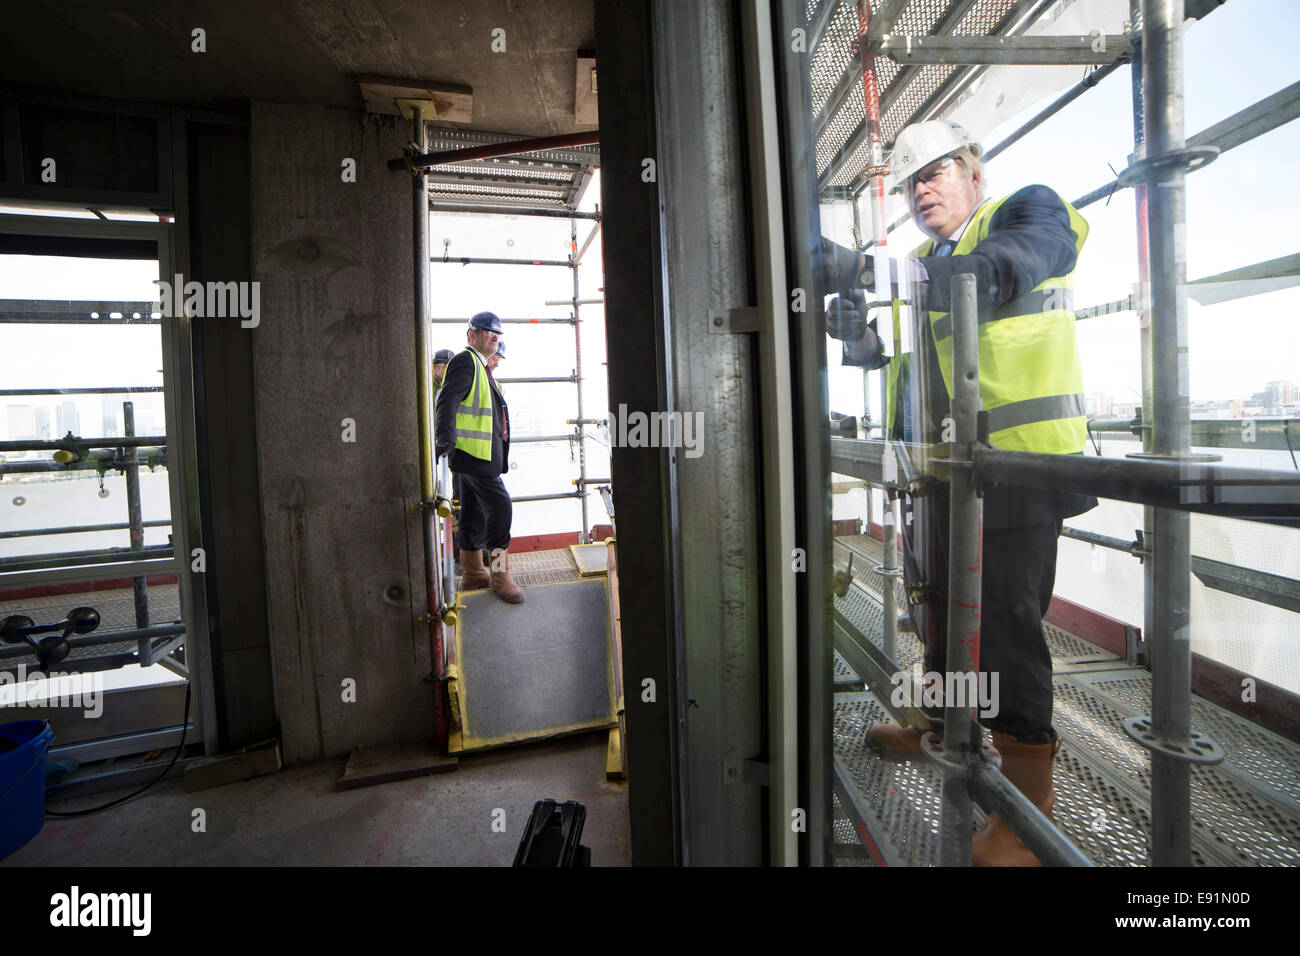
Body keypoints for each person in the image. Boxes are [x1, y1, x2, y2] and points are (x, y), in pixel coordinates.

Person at [821, 119, 1095, 866]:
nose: (922, 189)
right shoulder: (923, 259)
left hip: (1019, 469)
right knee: (938, 608)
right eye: (912, 181)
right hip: (942, 473)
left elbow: (994, 276)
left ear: (974, 171)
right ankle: (944, 728)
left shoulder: (1032, 214)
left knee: (1006, 626)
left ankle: (1029, 805)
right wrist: (859, 340)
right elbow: (910, 361)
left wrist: (860, 272)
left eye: (936, 171)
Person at [434, 311, 523, 604]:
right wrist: (444, 439)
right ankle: (500, 575)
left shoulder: (482, 368)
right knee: (501, 507)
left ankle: (473, 572)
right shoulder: (466, 361)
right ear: (472, 335)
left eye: (497, 334)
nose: (494, 337)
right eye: (487, 332)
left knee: (471, 512)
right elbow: (446, 400)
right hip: (474, 456)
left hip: (475, 456)